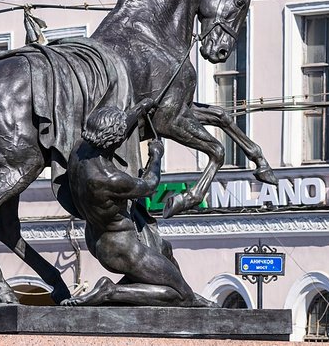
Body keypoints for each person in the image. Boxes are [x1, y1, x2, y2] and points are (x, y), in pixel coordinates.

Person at [62, 99, 215, 307]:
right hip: (122, 247)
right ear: (114, 141)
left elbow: (118, 128)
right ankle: (110, 292)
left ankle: (191, 297)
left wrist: (140, 109)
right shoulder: (109, 178)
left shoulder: (79, 152)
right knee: (181, 296)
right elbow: (150, 185)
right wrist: (156, 156)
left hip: (97, 238)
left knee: (164, 249)